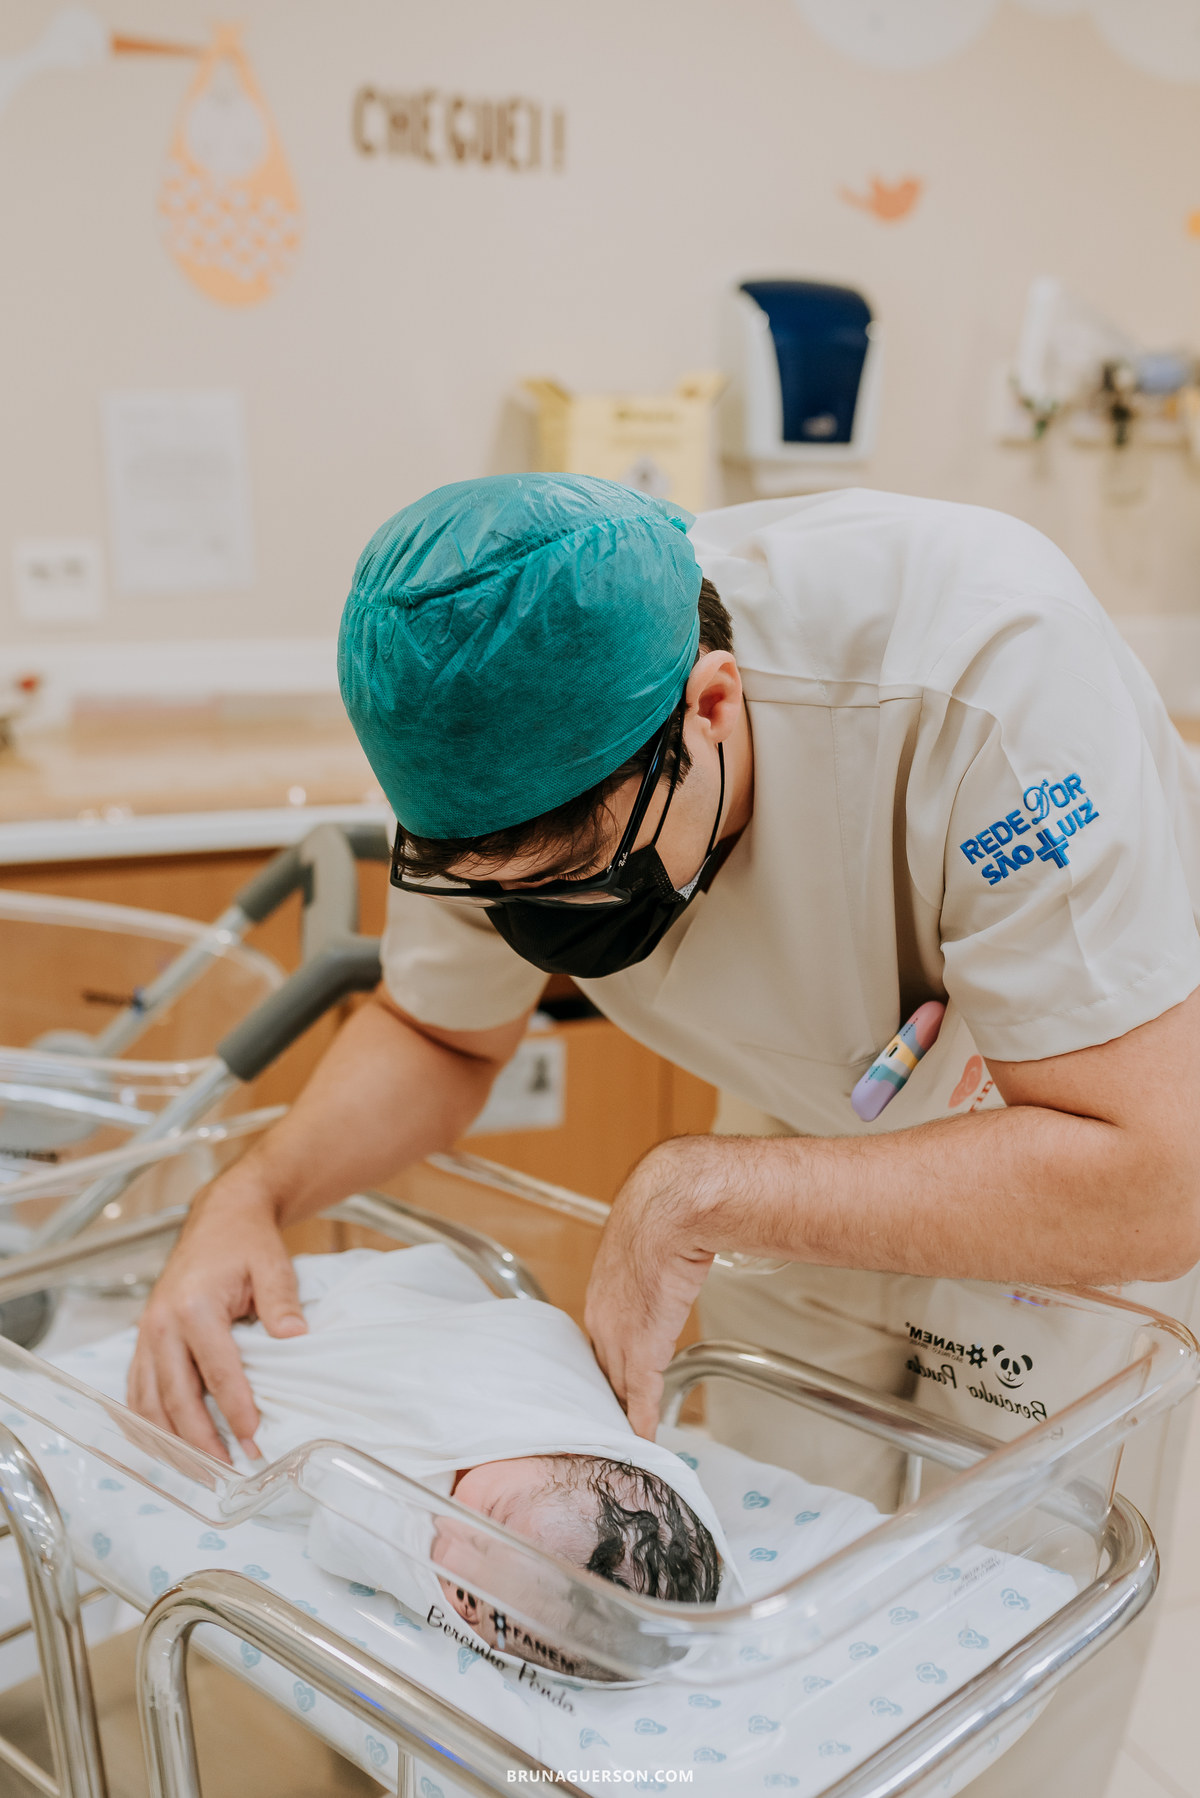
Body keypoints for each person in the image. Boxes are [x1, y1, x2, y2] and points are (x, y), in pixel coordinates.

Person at [129, 474, 1200, 1793]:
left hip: (1072, 1125)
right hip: (817, 1106)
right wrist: (251, 1190)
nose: (551, 933)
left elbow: (1156, 1178)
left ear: (711, 707)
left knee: (1008, 1637)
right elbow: (442, 1034)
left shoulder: (985, 672)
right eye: (504, 902)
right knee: (743, 1569)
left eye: (587, 881)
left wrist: (695, 1188)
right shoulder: (494, 734)